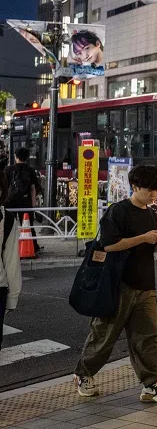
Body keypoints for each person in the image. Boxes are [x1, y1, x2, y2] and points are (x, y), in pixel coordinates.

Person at [73, 165, 157, 404]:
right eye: (149, 190)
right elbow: (109, 245)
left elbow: (145, 248)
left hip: (146, 284)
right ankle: (83, 374)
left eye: (156, 190)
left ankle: (151, 384)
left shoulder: (150, 214)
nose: (154, 195)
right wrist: (144, 238)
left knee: (148, 337)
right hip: (118, 284)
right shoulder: (117, 212)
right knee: (105, 335)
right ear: (135, 186)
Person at [0, 170, 22, 353]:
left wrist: (13, 295)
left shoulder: (7, 219)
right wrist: (12, 298)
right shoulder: (6, 218)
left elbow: (11, 260)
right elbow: (11, 260)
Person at [3, 148, 41, 249]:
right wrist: (32, 205)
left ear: (16, 156)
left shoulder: (8, 169)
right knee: (28, 225)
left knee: (9, 225)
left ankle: (8, 246)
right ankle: (33, 247)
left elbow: (4, 187)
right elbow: (33, 188)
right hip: (25, 201)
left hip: (10, 201)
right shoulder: (30, 170)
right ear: (27, 157)